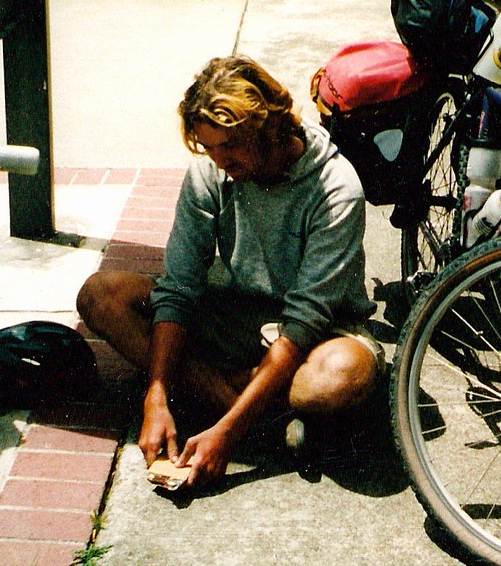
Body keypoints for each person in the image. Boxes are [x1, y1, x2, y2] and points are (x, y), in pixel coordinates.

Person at [77, 55, 383, 490]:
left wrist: (227, 434)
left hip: (317, 333)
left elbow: (302, 325)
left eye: (230, 147)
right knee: (101, 294)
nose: (217, 160)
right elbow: (179, 287)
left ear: (269, 129)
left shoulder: (336, 188)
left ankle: (217, 405)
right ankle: (265, 421)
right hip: (230, 316)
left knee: (343, 376)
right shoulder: (209, 171)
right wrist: (156, 394)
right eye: (208, 147)